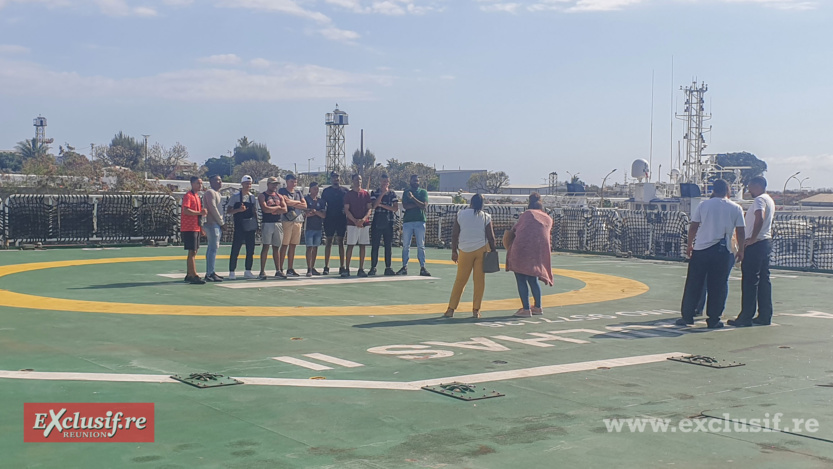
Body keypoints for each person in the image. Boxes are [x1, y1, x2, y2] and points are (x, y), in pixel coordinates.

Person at [677, 179, 745, 328]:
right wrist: (741, 249)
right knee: (719, 286)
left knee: (694, 284)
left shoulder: (703, 205)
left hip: (701, 249)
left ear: (713, 190)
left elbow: (694, 226)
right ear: (728, 190)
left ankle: (688, 315)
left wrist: (690, 245)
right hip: (723, 250)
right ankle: (714, 319)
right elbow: (740, 230)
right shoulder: (736, 208)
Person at [729, 176, 775, 327]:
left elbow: (759, 218)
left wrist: (753, 238)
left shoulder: (759, 200)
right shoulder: (769, 199)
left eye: (750, 186)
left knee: (750, 281)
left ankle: (746, 316)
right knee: (763, 280)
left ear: (757, 185)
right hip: (765, 243)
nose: (749, 190)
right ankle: (765, 315)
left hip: (756, 244)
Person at [443, 194, 496, 319]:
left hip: (464, 250)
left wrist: (454, 251)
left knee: (460, 280)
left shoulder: (461, 214)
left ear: (471, 202)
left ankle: (451, 309)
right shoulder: (485, 217)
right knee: (479, 281)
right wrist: (493, 251)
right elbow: (491, 237)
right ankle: (476, 310)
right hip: (481, 250)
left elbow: (455, 234)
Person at [504, 193, 554, 317]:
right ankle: (538, 307)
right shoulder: (548, 218)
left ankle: (526, 308)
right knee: (533, 279)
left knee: (521, 278)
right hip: (538, 252)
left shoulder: (527, 214)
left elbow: (516, 229)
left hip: (522, 250)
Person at [398, 174, 431, 276]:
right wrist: (417, 204)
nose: (416, 182)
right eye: (414, 181)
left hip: (420, 221)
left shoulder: (423, 192)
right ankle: (404, 266)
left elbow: (423, 205)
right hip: (408, 222)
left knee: (421, 245)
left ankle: (422, 267)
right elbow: (405, 206)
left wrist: (412, 199)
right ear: (410, 181)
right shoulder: (406, 192)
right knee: (405, 245)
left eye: (417, 181)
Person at [227, 175, 258, 280]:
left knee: (250, 249)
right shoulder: (235, 197)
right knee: (236, 248)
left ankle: (248, 270)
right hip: (239, 226)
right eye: (246, 183)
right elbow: (229, 210)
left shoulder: (252, 197)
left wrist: (256, 222)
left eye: (249, 183)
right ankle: (232, 271)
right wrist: (238, 210)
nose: (248, 185)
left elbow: (254, 211)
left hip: (250, 226)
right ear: (242, 184)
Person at [257, 176, 288, 280]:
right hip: (267, 223)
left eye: (276, 184)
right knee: (265, 246)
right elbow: (265, 209)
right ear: (268, 184)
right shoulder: (263, 195)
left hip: (278, 223)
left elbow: (284, 209)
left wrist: (274, 209)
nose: (275, 186)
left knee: (276, 247)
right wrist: (277, 208)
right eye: (273, 184)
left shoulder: (279, 196)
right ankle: (262, 271)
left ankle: (278, 270)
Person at [343, 174, 373, 277]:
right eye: (356, 179)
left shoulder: (366, 194)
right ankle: (347, 269)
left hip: (364, 224)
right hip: (352, 224)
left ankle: (361, 268)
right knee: (350, 245)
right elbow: (347, 209)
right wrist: (355, 221)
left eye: (360, 179)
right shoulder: (349, 195)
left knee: (363, 245)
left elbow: (369, 208)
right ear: (352, 181)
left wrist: (363, 220)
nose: (358, 181)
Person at [369, 174, 399, 276]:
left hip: (389, 221)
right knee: (375, 245)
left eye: (386, 182)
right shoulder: (374, 192)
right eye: (383, 181)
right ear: (380, 182)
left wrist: (382, 205)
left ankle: (388, 267)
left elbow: (395, 208)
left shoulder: (392, 194)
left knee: (388, 245)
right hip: (377, 221)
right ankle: (373, 267)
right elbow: (373, 206)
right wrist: (382, 194)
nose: (384, 183)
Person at [278, 174, 307, 277]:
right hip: (286, 220)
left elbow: (304, 205)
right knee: (285, 244)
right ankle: (280, 268)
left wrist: (293, 203)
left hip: (298, 220)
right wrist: (297, 202)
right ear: (287, 181)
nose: (294, 184)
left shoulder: (298, 192)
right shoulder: (282, 191)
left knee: (293, 245)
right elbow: (285, 201)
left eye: (295, 181)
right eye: (291, 181)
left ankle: (290, 268)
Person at [321, 172, 349, 275]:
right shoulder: (326, 191)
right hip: (329, 219)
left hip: (341, 219)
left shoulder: (345, 191)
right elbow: (322, 205)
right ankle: (326, 266)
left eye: (337, 177)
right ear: (331, 179)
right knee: (329, 242)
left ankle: (342, 266)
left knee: (341, 242)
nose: (335, 179)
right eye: (334, 177)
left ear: (340, 178)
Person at [181, 176, 207, 285]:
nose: (200, 185)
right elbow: (186, 210)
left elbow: (198, 216)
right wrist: (199, 213)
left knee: (194, 251)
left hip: (195, 227)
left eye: (201, 183)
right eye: (198, 183)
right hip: (189, 227)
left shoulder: (197, 196)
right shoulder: (188, 196)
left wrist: (201, 228)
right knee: (192, 251)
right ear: (192, 184)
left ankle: (189, 273)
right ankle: (193, 274)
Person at [202, 174, 224, 282]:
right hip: (212, 223)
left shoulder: (217, 193)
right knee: (212, 248)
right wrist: (221, 222)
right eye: (216, 180)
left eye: (220, 180)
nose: (219, 182)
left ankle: (211, 271)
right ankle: (209, 273)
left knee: (213, 248)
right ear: (211, 182)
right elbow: (213, 208)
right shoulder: (210, 192)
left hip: (216, 224)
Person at [304, 181, 326, 277]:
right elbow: (306, 214)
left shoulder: (321, 201)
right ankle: (308, 268)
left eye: (317, 189)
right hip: (309, 227)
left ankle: (312, 267)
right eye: (314, 189)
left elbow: (323, 215)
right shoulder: (305, 199)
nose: (316, 191)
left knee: (316, 247)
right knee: (309, 247)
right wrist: (313, 213)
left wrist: (315, 212)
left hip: (318, 227)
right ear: (310, 189)